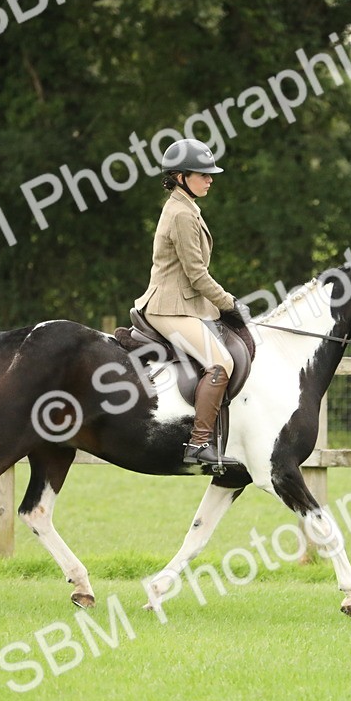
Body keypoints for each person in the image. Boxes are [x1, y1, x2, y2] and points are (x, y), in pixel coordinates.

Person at [133, 138, 250, 467]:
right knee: (221, 363)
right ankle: (199, 442)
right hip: (168, 307)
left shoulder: (185, 206)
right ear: (181, 176)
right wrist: (230, 304)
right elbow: (197, 275)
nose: (210, 179)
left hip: (185, 304)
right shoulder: (182, 214)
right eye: (203, 174)